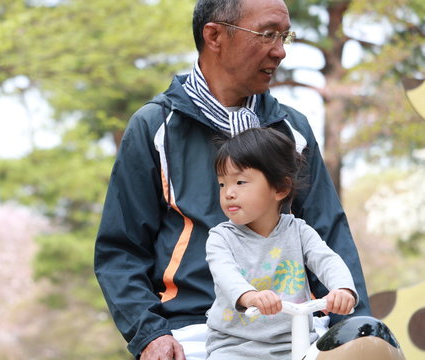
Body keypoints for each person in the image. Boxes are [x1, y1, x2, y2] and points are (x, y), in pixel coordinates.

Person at [94, 0, 371, 359]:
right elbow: (121, 251)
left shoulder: (294, 130)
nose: (281, 51)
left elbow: (330, 236)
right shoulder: (153, 127)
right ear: (214, 36)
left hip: (297, 330)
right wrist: (149, 335)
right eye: (268, 34)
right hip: (193, 333)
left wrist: (354, 328)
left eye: (285, 36)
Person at [205, 127, 357, 359]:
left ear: (280, 189)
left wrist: (343, 289)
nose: (228, 193)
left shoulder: (299, 231)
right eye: (222, 184)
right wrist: (251, 296)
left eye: (240, 182)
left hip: (297, 343)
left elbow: (327, 260)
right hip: (237, 347)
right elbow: (226, 275)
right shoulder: (221, 238)